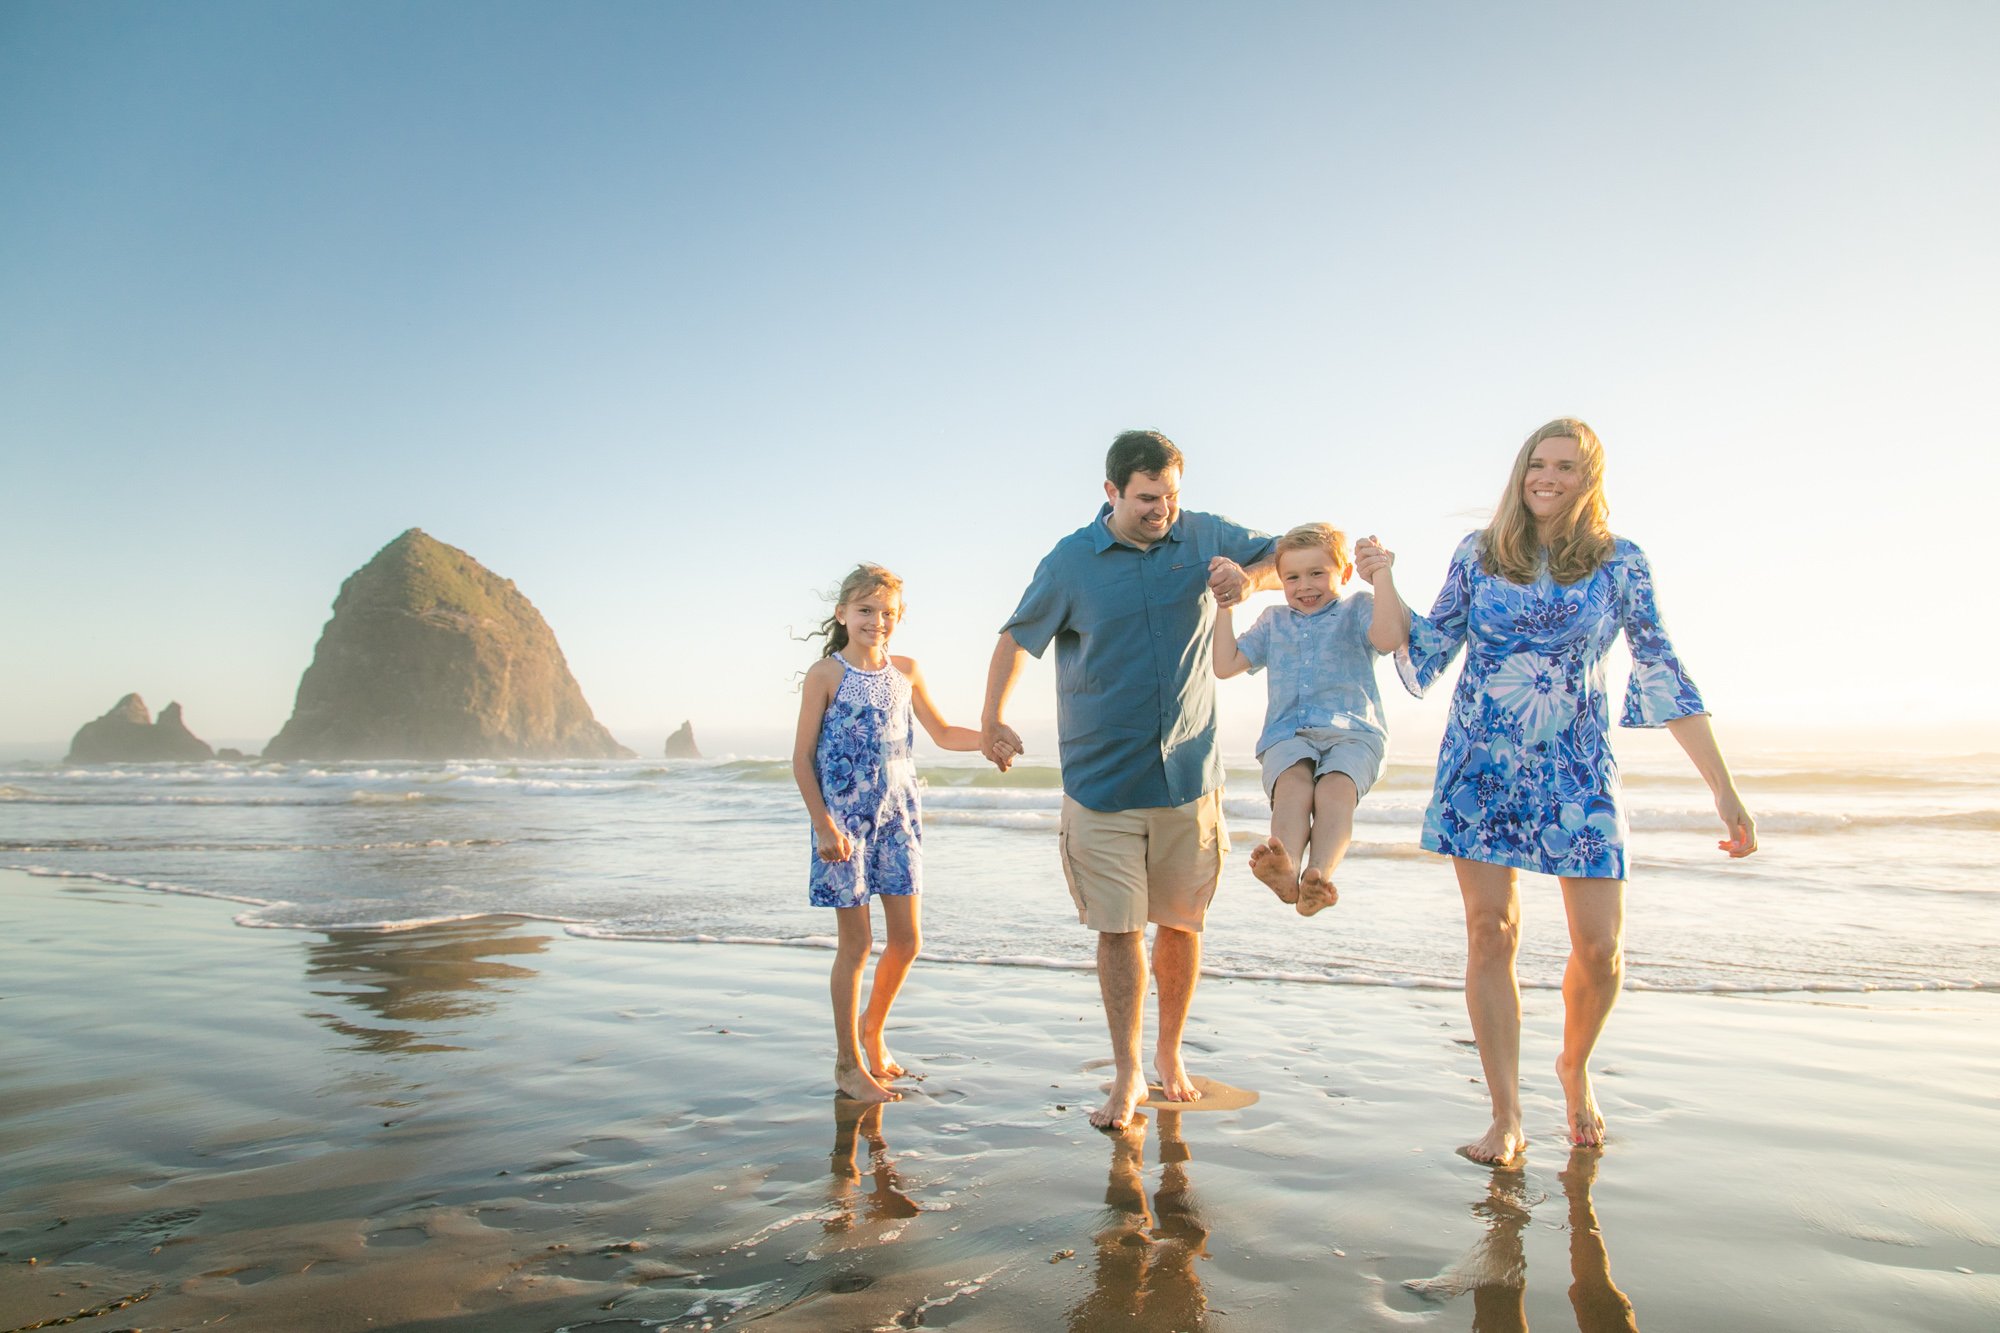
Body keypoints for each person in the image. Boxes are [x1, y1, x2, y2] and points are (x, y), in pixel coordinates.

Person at [1361, 418, 1757, 1164]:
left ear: (1589, 478)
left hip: (1577, 770)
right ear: (1520, 472)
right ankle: (1506, 1114)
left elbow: (1661, 667)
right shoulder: (1479, 554)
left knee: (1602, 948)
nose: (1546, 477)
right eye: (1536, 464)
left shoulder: (1619, 563)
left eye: (1565, 467)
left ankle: (1572, 1067)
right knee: (1490, 932)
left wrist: (1724, 791)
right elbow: (1424, 643)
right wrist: (1383, 576)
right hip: (1481, 766)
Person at [982, 430, 1278, 1130]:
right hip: (1103, 784)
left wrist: (1250, 578)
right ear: (1111, 493)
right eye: (1148, 498)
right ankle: (1125, 1076)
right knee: (1118, 931)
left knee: (1181, 923)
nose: (1163, 510)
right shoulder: (1070, 561)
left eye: (1172, 495)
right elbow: (1014, 637)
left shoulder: (1203, 532)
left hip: (1189, 777)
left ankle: (1169, 1056)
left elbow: (1283, 555)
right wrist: (991, 717)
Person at [792, 563, 984, 1104]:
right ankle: (847, 1064)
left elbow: (944, 734)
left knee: (907, 940)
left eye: (888, 613)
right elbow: (801, 760)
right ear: (843, 614)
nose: (878, 621)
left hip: (899, 818)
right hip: (844, 823)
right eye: (866, 611)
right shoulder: (825, 675)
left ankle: (871, 1028)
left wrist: (990, 738)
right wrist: (823, 824)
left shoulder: (908, 671)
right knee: (856, 944)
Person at [1212, 522, 1397, 916]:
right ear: (1279, 581)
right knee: (1292, 787)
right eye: (1292, 577)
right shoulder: (1273, 620)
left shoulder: (1358, 608)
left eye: (1317, 573)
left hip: (1353, 733)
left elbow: (1389, 638)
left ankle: (1317, 875)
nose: (1304, 585)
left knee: (1335, 793)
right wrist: (1225, 609)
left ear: (1344, 573)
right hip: (1288, 733)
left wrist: (1381, 577)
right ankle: (1287, 866)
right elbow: (1225, 665)